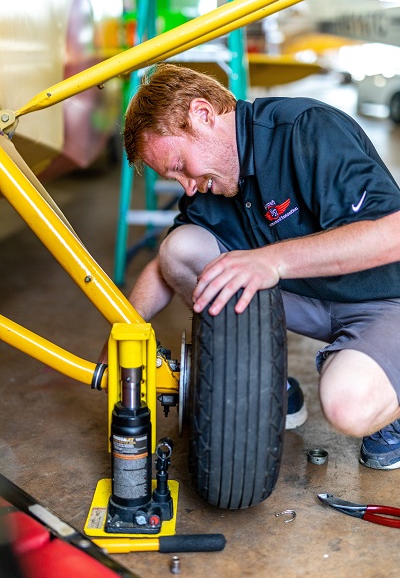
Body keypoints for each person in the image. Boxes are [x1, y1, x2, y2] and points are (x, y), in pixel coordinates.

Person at [122, 63, 400, 470]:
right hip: (311, 297)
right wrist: (124, 333)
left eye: (179, 165)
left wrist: (272, 260)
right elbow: (167, 265)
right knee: (181, 247)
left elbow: (393, 234)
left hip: (387, 299)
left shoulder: (305, 129)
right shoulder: (213, 183)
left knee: (348, 404)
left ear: (203, 114)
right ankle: (268, 380)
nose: (187, 186)